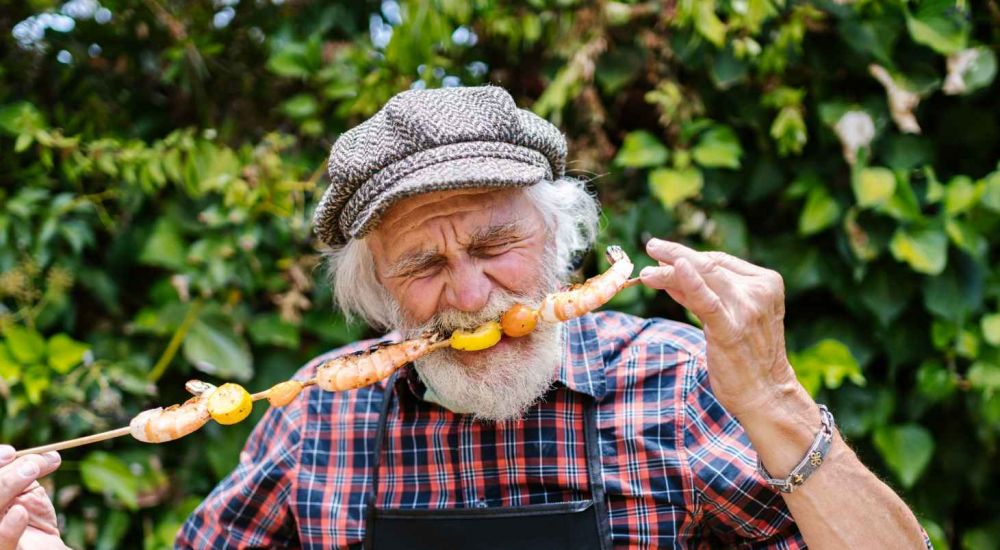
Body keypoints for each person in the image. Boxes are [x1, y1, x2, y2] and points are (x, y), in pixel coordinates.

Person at [0, 86, 930, 549]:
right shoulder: (319, 413)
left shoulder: (680, 380)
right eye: (423, 264)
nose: (473, 295)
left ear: (559, 239)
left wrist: (774, 398)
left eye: (495, 245)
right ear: (376, 293)